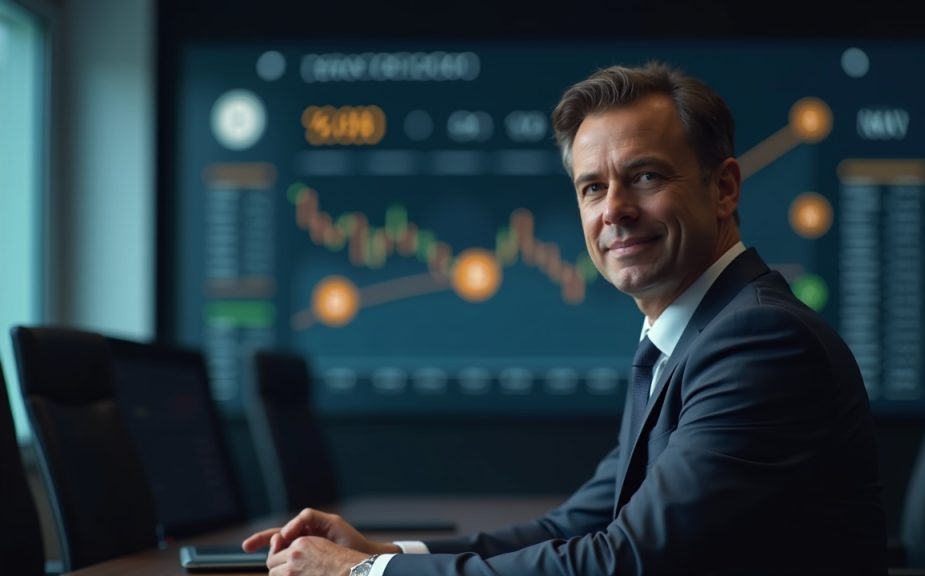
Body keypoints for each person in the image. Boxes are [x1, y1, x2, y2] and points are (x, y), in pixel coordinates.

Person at [243, 62, 887, 575]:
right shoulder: (686, 340)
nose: (614, 210)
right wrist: (381, 555)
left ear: (724, 189)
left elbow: (625, 559)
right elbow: (577, 526)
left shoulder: (759, 341)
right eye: (592, 188)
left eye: (644, 176)